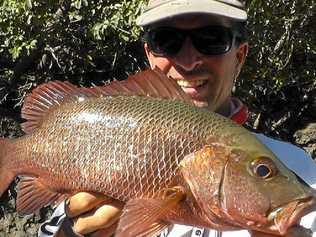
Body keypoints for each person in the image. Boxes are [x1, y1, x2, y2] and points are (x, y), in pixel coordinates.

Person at [38, 0, 316, 236]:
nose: (187, 60)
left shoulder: (302, 175)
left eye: (212, 39)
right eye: (167, 41)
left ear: (240, 55)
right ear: (150, 54)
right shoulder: (93, 143)